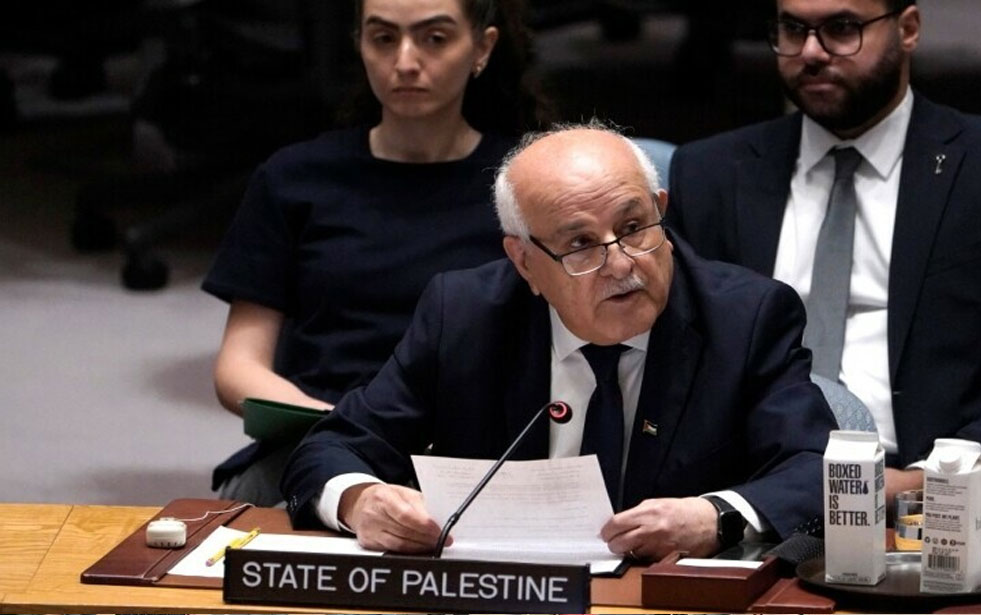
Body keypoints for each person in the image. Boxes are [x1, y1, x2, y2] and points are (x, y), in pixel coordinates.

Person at [281, 124, 838, 561]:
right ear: (524, 261)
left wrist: (718, 516)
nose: (621, 263)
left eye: (634, 228)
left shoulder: (744, 317)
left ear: (661, 212)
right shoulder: (465, 315)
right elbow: (332, 448)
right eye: (580, 244)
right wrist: (359, 500)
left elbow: (820, 469)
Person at [666, 0, 981, 545]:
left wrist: (926, 480)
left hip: (948, 490)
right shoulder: (711, 173)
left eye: (842, 29)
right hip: (755, 492)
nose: (811, 52)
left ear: (907, 29)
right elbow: (678, 359)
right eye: (793, 29)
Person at [202, 0, 550, 506]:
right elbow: (238, 365)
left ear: (482, 47)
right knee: (245, 535)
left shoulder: (527, 185)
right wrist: (342, 431)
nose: (405, 61)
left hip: (477, 454)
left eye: (434, 39)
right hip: (322, 436)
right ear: (359, 45)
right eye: (384, 38)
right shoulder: (296, 178)